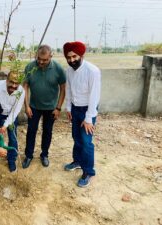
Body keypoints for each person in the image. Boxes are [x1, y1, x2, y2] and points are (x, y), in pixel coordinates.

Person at [62, 41, 101, 188]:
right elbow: (69, 89)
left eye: (74, 56)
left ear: (81, 55)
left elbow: (94, 96)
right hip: (75, 108)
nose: (71, 60)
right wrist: (68, 108)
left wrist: (89, 118)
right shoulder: (69, 70)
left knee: (86, 142)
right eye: (68, 57)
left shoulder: (93, 71)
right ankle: (77, 161)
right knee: (76, 137)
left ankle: (88, 171)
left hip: (88, 110)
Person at [22, 45, 66, 169]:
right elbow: (25, 86)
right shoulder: (30, 67)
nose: (41, 62)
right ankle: (29, 155)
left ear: (51, 56)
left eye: (45, 60)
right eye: (39, 59)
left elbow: (63, 88)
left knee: (47, 131)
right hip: (34, 107)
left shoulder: (58, 69)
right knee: (31, 131)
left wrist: (58, 108)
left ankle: (44, 155)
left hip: (51, 108)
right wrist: (26, 106)